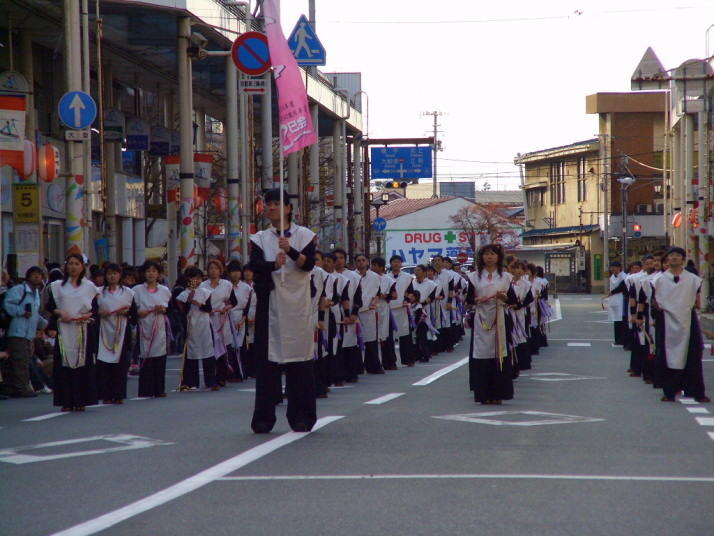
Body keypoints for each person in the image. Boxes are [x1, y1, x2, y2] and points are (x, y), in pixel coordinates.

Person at [248, 188, 318, 433]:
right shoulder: (260, 238)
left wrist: (289, 250)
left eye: (276, 204)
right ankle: (264, 417)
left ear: (289, 208)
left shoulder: (305, 236)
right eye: (268, 204)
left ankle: (302, 416)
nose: (271, 208)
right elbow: (254, 267)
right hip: (271, 304)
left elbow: (308, 264)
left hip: (298, 304)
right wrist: (272, 264)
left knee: (300, 362)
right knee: (267, 363)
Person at [652, 247, 710, 403]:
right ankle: (670, 391)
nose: (674, 258)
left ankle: (697, 391)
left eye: (678, 255)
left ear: (683, 259)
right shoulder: (658, 280)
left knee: (693, 355)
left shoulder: (693, 279)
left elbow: (697, 300)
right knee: (667, 355)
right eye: (671, 256)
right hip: (667, 320)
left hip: (688, 319)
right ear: (667, 260)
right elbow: (655, 302)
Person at [47, 254, 100, 411]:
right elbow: (50, 306)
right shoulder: (57, 286)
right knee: (63, 364)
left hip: (82, 327)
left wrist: (86, 316)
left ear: (82, 267)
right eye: (70, 263)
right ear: (66, 266)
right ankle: (66, 401)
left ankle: (81, 400)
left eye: (77, 264)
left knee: (83, 364)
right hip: (64, 328)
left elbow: (95, 308)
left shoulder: (89, 287)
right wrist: (60, 313)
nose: (73, 267)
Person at [466, 244, 516, 405]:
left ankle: (498, 394)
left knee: (499, 353)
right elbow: (468, 301)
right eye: (486, 254)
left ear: (498, 257)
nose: (489, 257)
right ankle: (483, 394)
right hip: (481, 318)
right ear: (481, 257)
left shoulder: (506, 277)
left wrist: (504, 298)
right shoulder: (474, 277)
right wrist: (476, 300)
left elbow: (513, 300)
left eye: (492, 254)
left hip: (499, 317)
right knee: (481, 354)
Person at [1, 266, 47, 398]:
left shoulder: (36, 293)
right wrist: (21, 312)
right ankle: (22, 388)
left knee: (24, 360)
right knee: (20, 360)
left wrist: (45, 325)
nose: (37, 277)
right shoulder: (19, 290)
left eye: (39, 275)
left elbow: (35, 314)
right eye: (34, 275)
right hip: (17, 331)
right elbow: (8, 305)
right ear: (28, 276)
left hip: (28, 334)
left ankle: (12, 387)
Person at [96, 263, 136, 404]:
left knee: (121, 363)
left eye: (115, 273)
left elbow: (134, 313)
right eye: (109, 274)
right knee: (104, 363)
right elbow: (93, 310)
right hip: (104, 331)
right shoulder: (98, 292)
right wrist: (100, 313)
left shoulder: (128, 293)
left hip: (122, 330)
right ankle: (106, 394)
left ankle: (119, 394)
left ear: (120, 275)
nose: (112, 276)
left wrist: (127, 313)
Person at [134, 261, 172, 398]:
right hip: (144, 326)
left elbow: (170, 309)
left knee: (160, 355)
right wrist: (141, 313)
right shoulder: (137, 290)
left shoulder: (164, 290)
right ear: (144, 273)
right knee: (145, 356)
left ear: (158, 274)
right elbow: (133, 311)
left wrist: (163, 310)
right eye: (148, 271)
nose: (151, 274)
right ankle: (145, 389)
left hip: (159, 326)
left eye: (154, 271)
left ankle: (159, 389)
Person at [177, 266, 217, 391]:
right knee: (191, 354)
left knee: (208, 352)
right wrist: (190, 299)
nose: (196, 281)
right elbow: (183, 312)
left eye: (198, 278)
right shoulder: (182, 295)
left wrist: (199, 304)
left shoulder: (206, 292)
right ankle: (191, 382)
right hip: (191, 325)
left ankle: (210, 381)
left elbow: (209, 309)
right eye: (193, 278)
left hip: (204, 324)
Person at [201, 259, 238, 385]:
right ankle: (211, 377)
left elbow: (234, 301)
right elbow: (200, 303)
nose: (213, 270)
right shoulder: (202, 285)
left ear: (220, 270)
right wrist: (208, 310)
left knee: (223, 347)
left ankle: (223, 376)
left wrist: (226, 308)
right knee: (210, 348)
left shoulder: (226, 285)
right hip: (208, 320)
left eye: (216, 268)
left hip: (222, 319)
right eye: (211, 268)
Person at [334, 249, 362, 382]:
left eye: (341, 258)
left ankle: (351, 373)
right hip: (333, 315)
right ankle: (337, 375)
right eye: (336, 258)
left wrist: (354, 313)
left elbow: (357, 296)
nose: (338, 260)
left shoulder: (354, 277)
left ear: (345, 260)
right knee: (335, 346)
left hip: (349, 315)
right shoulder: (329, 275)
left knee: (350, 344)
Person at [355, 254, 384, 374]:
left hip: (369, 311)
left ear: (367, 262)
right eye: (358, 261)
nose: (361, 262)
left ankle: (373, 366)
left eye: (363, 260)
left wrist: (373, 303)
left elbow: (378, 293)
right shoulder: (352, 276)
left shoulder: (375, 277)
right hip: (355, 312)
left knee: (371, 339)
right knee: (354, 340)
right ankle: (357, 367)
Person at [388, 255, 416, 366]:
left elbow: (410, 292)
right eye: (394, 262)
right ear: (390, 263)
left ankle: (408, 359)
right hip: (389, 310)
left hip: (402, 308)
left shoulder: (408, 277)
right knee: (389, 336)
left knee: (405, 335)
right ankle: (391, 361)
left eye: (398, 262)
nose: (396, 264)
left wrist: (407, 299)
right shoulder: (386, 277)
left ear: (401, 264)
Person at [371, 257, 397, 370]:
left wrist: (385, 296)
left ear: (381, 267)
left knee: (386, 336)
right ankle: (373, 363)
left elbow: (394, 295)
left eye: (375, 265)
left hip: (383, 308)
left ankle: (389, 362)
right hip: (370, 309)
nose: (372, 267)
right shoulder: (368, 277)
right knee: (371, 337)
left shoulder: (388, 280)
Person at [508, 261, 534, 372]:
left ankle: (521, 362)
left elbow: (530, 298)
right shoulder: (507, 281)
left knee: (520, 335)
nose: (518, 270)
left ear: (524, 271)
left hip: (519, 312)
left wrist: (520, 305)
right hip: (507, 311)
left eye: (520, 268)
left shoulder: (526, 284)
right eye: (515, 268)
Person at [409, 265, 437, 363]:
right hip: (412, 310)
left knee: (422, 334)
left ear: (424, 272)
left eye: (419, 270)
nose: (416, 272)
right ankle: (416, 354)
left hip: (423, 311)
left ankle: (425, 354)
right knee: (413, 334)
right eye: (415, 270)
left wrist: (420, 304)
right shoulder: (411, 283)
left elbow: (432, 297)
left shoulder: (431, 284)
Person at [606, 261, 627, 346]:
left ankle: (621, 340)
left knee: (621, 321)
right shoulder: (612, 276)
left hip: (621, 300)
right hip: (614, 301)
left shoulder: (623, 276)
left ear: (619, 268)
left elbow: (622, 287)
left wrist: (612, 292)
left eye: (614, 267)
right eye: (612, 267)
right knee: (616, 321)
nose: (613, 269)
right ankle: (617, 339)